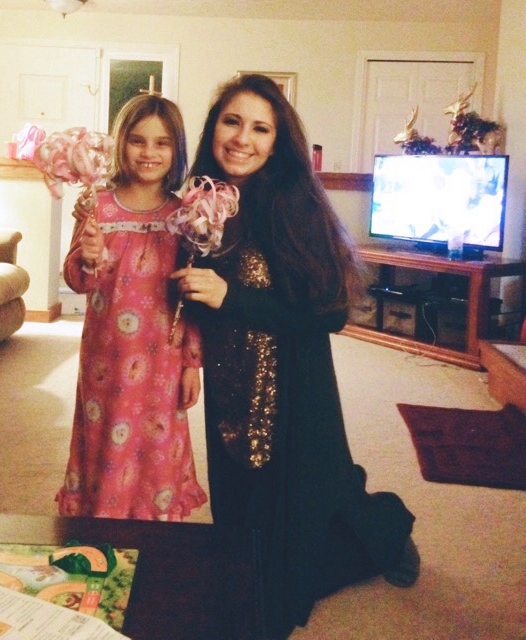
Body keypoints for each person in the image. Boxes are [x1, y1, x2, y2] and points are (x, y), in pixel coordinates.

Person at [171, 74, 419, 639]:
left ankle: (389, 531)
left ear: (277, 141)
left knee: (290, 563)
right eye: (232, 122)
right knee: (239, 526)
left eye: (261, 128)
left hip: (294, 394)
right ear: (214, 128)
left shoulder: (292, 201)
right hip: (231, 382)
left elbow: (329, 312)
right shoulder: (201, 201)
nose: (243, 138)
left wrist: (232, 296)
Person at [56, 94, 207, 521]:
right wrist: (88, 256)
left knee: (157, 444)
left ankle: (155, 526)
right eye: (138, 140)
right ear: (121, 143)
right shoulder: (96, 205)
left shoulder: (186, 215)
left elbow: (191, 297)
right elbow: (77, 280)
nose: (149, 152)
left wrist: (192, 364)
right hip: (105, 360)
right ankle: (102, 523)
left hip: (164, 360)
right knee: (104, 441)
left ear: (176, 149)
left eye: (162, 143)